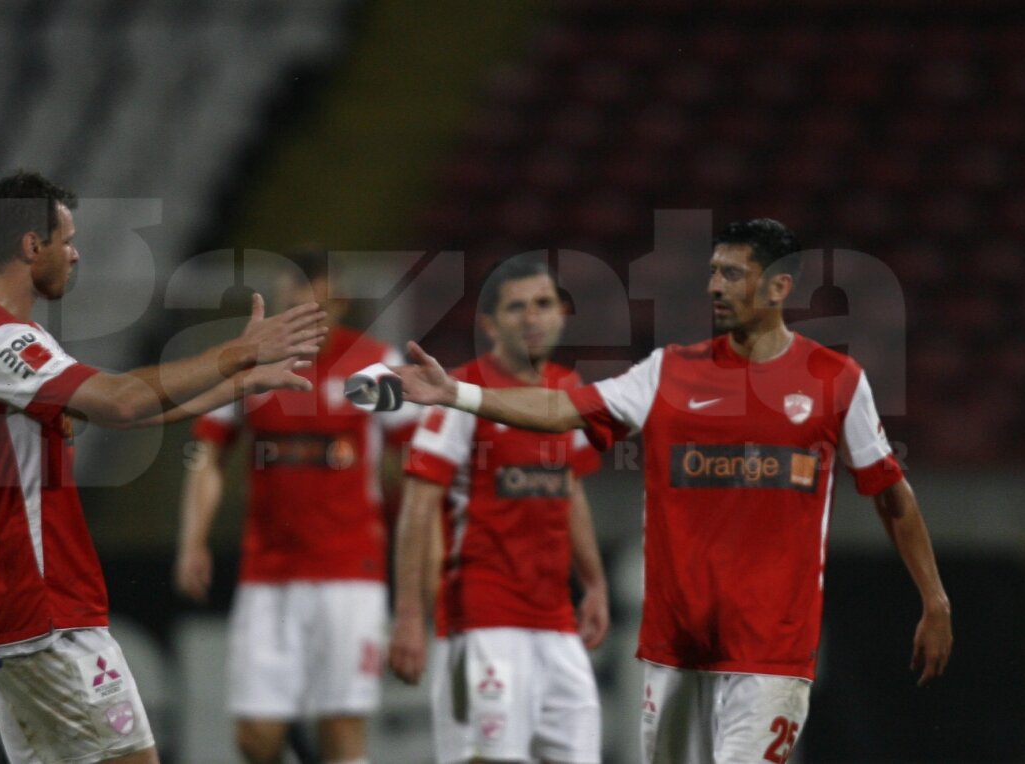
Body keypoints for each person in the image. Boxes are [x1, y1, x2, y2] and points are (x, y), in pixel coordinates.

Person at [385, 219, 953, 763]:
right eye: (712, 271)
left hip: (772, 648)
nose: (714, 286)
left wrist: (934, 597)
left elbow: (890, 493)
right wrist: (459, 393)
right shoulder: (668, 372)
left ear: (780, 286)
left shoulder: (836, 380)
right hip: (676, 646)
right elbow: (560, 409)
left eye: (732, 274)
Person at [0, 170, 327, 764]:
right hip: (45, 611)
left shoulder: (5, 339)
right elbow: (121, 399)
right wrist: (238, 350)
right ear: (29, 247)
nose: (76, 253)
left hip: (25, 612)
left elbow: (127, 416)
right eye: (66, 239)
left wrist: (236, 380)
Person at [174, 252, 418, 764]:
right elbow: (207, 453)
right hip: (269, 573)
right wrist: (192, 540)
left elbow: (421, 459)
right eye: (291, 305)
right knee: (255, 737)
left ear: (340, 303)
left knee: (342, 723)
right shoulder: (253, 367)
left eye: (312, 305)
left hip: (350, 570)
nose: (300, 316)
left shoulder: (373, 367)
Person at [387, 257, 609, 764]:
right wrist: (408, 617)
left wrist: (593, 583)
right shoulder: (458, 394)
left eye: (543, 304)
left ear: (562, 314)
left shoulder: (568, 392)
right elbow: (418, 507)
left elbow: (569, 491)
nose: (532, 317)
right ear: (489, 323)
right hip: (483, 619)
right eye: (516, 307)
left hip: (556, 620)